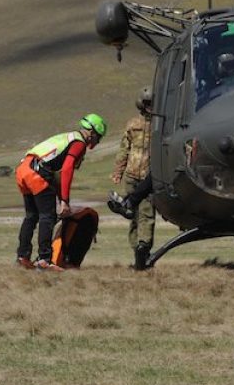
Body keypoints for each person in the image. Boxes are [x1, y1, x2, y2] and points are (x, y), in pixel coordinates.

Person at [15, 113, 106, 271]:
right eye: (99, 137)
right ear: (92, 132)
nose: (98, 141)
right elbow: (67, 169)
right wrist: (64, 200)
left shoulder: (67, 137)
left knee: (31, 216)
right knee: (47, 217)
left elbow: (55, 176)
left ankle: (22, 256)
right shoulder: (79, 143)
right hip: (38, 173)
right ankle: (44, 260)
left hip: (23, 169)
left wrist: (62, 199)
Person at [111, 87, 157, 270]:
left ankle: (142, 249)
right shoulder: (136, 125)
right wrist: (118, 172)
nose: (150, 106)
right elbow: (124, 150)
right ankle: (139, 251)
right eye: (148, 103)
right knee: (137, 215)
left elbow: (124, 151)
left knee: (144, 214)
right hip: (135, 176)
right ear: (143, 105)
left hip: (146, 178)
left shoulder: (156, 125)